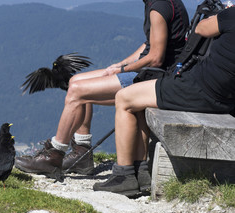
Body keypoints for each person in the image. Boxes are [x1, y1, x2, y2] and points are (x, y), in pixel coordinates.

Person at [15, 0, 189, 181]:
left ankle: (54, 154)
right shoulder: (157, 3)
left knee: (76, 91)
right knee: (76, 80)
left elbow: (156, 58)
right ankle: (81, 153)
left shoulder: (159, 7)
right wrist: (120, 64)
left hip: (153, 77)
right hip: (147, 71)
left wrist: (123, 70)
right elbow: (148, 46)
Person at [93, 6, 235, 196]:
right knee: (143, 100)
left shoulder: (231, 15)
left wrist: (223, 13)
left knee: (124, 98)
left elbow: (202, 28)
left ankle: (124, 175)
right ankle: (141, 172)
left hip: (199, 89)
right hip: (227, 99)